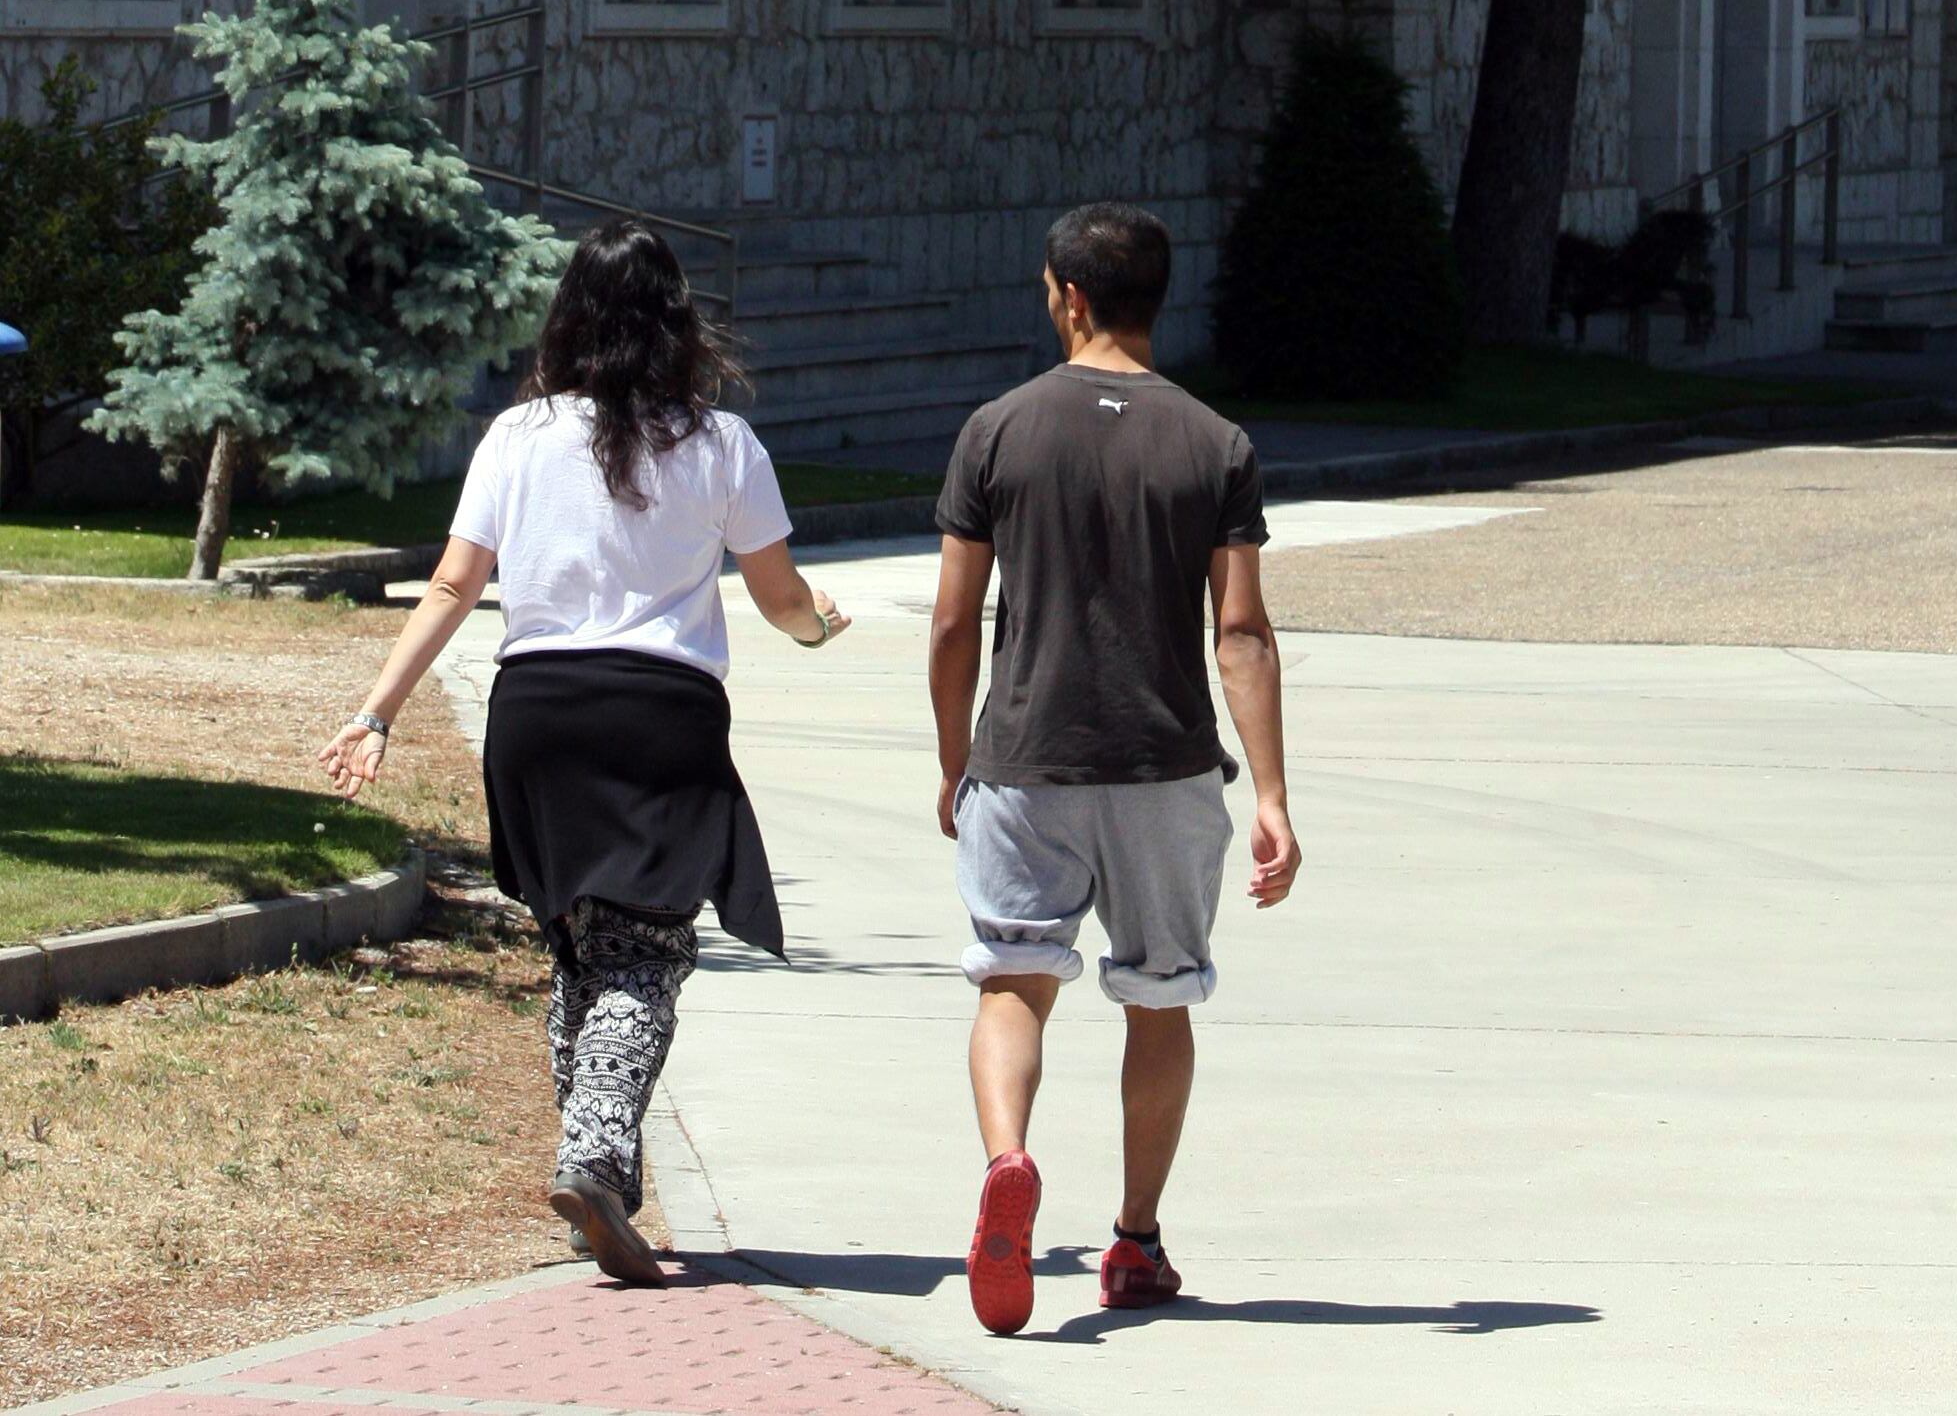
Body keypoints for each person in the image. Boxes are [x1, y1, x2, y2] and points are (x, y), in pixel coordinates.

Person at [319, 219, 848, 1284]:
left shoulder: (516, 437)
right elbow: (782, 594)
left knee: (580, 949)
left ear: (568, 316)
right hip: (660, 718)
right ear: (676, 323)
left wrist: (377, 712)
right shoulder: (720, 444)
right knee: (645, 953)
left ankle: (594, 1205)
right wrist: (819, 624)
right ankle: (595, 1155)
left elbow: (454, 587)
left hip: (538, 715)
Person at [929, 199, 1299, 1335]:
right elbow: (1240, 630)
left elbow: (952, 624)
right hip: (1166, 766)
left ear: (1071, 296)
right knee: (1160, 1000)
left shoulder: (996, 429)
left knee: (1013, 980)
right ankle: (1135, 1242)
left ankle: (1009, 1163)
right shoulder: (1215, 442)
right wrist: (1274, 793)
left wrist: (957, 761)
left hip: (1027, 758)